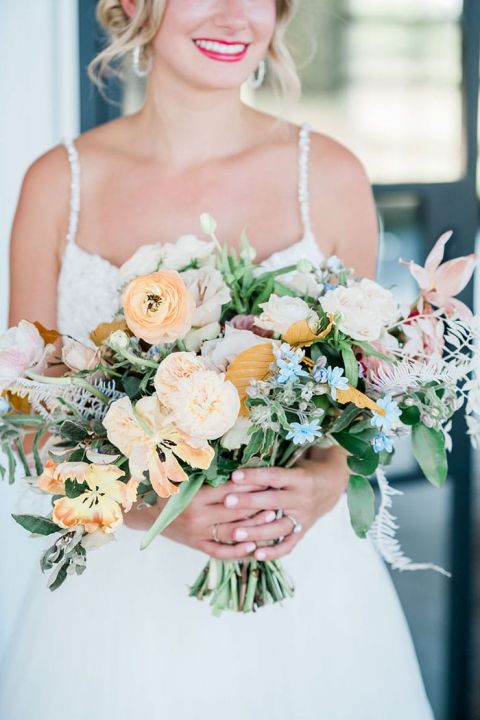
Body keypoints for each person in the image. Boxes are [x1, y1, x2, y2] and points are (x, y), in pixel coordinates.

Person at [1, 1, 435, 718]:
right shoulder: (58, 184)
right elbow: (26, 421)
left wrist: (327, 483)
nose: (236, 16)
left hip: (306, 595)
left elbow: (362, 407)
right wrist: (149, 512)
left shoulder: (327, 175)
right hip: (117, 606)